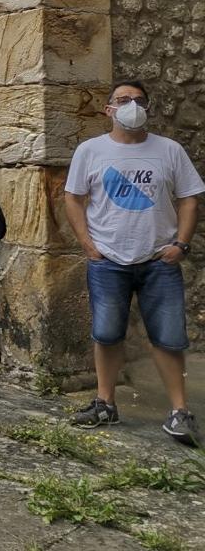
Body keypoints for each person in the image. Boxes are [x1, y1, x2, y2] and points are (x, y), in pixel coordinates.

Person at [64, 80, 202, 447]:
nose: (132, 106)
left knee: (169, 338)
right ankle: (105, 402)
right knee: (107, 333)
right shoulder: (90, 150)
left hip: (160, 260)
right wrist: (88, 244)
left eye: (139, 100)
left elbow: (189, 198)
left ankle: (179, 412)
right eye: (124, 100)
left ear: (149, 108)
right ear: (109, 109)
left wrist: (181, 244)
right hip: (108, 259)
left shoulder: (169, 150)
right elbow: (73, 198)